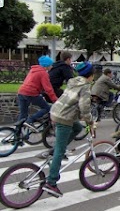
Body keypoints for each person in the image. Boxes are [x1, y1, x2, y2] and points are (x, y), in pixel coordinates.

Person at [42, 62, 95, 197]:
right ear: (91, 75)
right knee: (60, 151)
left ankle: (54, 151)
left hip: (56, 111)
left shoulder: (73, 82)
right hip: (64, 118)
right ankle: (51, 182)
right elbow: (84, 107)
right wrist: (90, 122)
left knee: (77, 127)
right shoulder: (85, 86)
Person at [17, 55, 58, 132]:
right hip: (31, 93)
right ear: (47, 65)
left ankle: (17, 135)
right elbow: (48, 89)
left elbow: (33, 83)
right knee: (47, 108)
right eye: (51, 65)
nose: (52, 67)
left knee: (23, 114)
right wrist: (55, 100)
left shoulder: (33, 70)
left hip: (21, 92)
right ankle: (30, 120)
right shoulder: (43, 73)